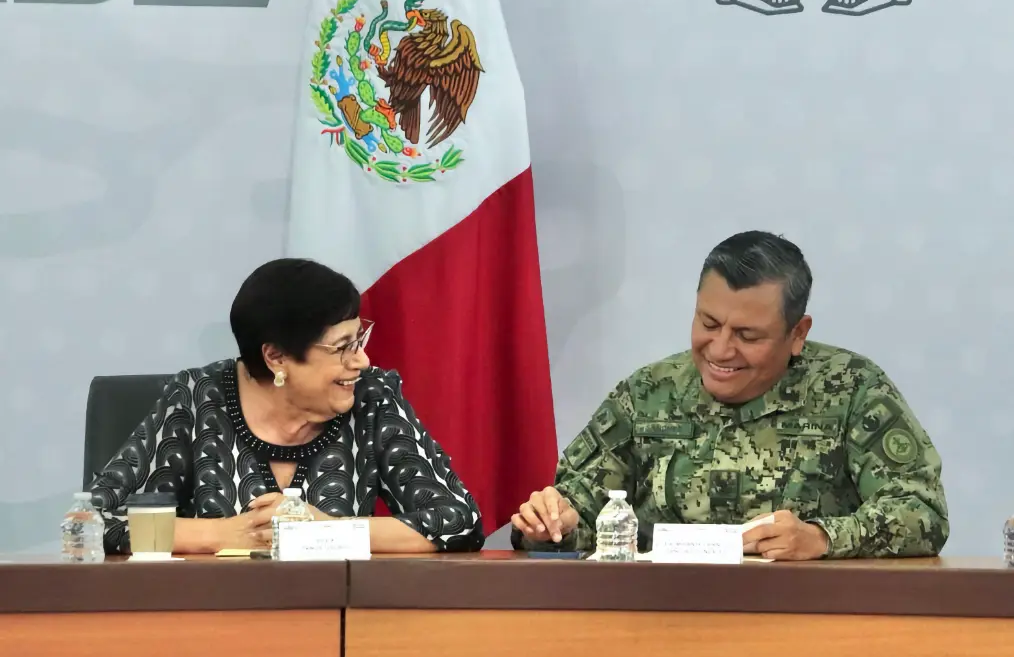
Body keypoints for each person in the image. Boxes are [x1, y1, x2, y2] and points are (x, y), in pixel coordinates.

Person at [511, 231, 948, 560]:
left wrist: (823, 538)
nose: (720, 350)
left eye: (747, 335)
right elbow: (580, 512)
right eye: (709, 324)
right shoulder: (647, 393)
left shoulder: (852, 389)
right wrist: (552, 523)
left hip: (807, 621)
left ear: (798, 333)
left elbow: (922, 512)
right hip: (662, 619)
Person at [91, 258, 483, 554]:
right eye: (342, 347)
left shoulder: (371, 396)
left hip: (337, 616)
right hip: (213, 618)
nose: (361, 361)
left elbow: (459, 522)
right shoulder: (198, 398)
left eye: (358, 340)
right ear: (277, 357)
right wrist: (220, 534)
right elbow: (93, 520)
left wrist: (328, 531)